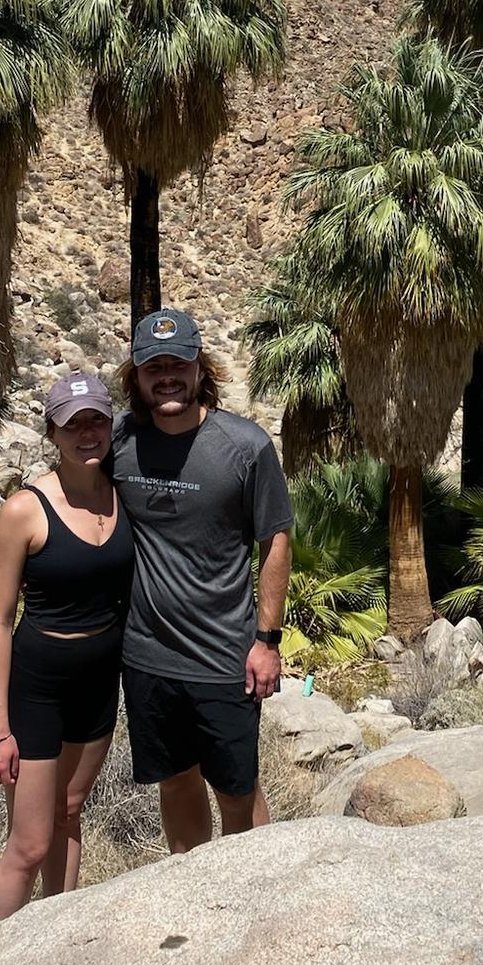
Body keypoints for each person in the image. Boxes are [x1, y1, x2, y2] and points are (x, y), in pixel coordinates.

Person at [113, 308, 293, 853]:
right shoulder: (119, 441)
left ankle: (251, 893)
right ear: (137, 376)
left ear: (199, 369)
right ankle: (192, 889)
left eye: (178, 363)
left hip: (225, 657)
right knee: (175, 780)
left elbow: (277, 541)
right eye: (153, 366)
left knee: (236, 790)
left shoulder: (244, 446)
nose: (166, 376)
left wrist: (267, 641)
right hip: (147, 657)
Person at [0, 372, 133, 926]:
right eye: (73, 424)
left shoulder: (123, 494)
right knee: (28, 844)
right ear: (53, 431)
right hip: (39, 687)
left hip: (99, 682)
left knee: (70, 813)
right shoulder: (25, 508)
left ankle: (55, 944)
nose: (86, 433)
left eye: (96, 420)